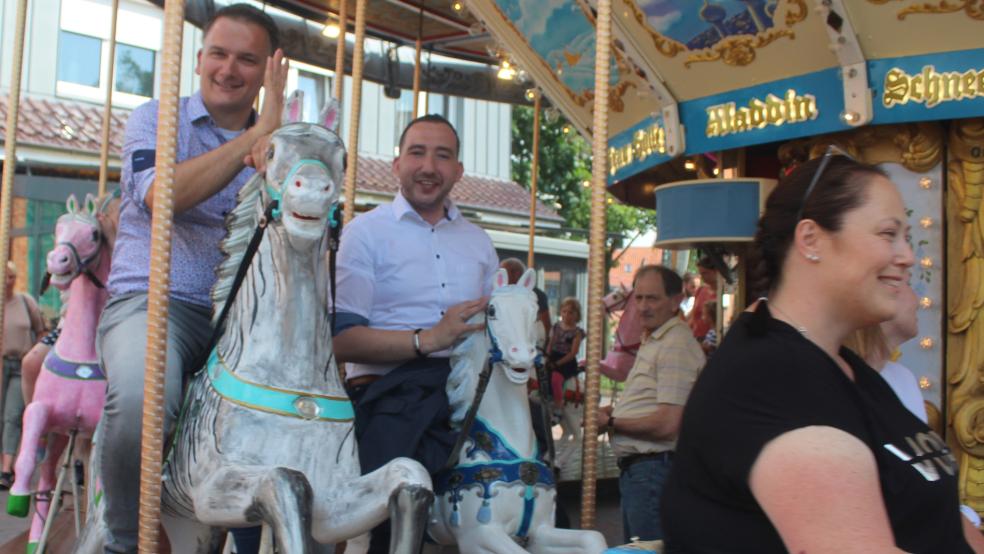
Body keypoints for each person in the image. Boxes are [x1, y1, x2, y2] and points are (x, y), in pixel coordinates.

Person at [661, 153, 984, 553]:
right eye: (888, 234)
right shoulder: (771, 380)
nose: (907, 256)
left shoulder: (842, 367)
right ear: (811, 239)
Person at [96, 5, 287, 552]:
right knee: (140, 397)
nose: (229, 69)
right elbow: (165, 196)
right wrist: (260, 131)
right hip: (157, 303)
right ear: (199, 59)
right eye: (219, 54)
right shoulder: (156, 119)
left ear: (271, 69)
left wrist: (277, 141)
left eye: (247, 59)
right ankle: (125, 541)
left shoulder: (283, 142)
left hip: (247, 323)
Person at [332, 113, 499, 553]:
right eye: (417, 153)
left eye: (442, 156)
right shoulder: (364, 233)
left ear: (458, 171)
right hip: (391, 391)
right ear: (397, 164)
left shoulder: (479, 242)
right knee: (390, 499)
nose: (429, 166)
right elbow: (343, 339)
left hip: (468, 395)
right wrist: (427, 339)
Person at [595, 265, 703, 542]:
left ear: (676, 300)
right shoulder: (654, 339)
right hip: (642, 472)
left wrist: (612, 422)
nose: (643, 306)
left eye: (652, 298)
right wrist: (615, 412)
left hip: (654, 469)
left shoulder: (675, 344)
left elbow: (668, 424)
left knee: (647, 547)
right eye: (639, 298)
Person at [20, 191, 121, 405]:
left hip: (112, 331)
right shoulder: (84, 254)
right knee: (31, 362)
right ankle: (35, 418)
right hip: (72, 332)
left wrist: (112, 239)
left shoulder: (122, 257)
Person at [0, 262, 45, 489]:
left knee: (13, 414)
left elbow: (41, 331)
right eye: (4, 276)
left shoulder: (26, 302)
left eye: (10, 276)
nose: (7, 281)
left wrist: (34, 358)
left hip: (20, 365)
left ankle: (6, 469)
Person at [500, 257, 551, 350]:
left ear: (516, 274)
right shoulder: (500, 294)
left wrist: (544, 350)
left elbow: (546, 325)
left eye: (503, 273)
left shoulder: (537, 295)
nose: (500, 276)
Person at [545, 297, 584, 411]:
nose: (567, 315)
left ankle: (558, 407)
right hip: (553, 356)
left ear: (577, 315)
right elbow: (550, 344)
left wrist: (557, 364)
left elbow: (573, 353)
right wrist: (546, 358)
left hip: (567, 361)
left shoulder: (577, 333)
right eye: (564, 311)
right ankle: (545, 400)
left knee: (556, 379)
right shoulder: (556, 327)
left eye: (571, 312)